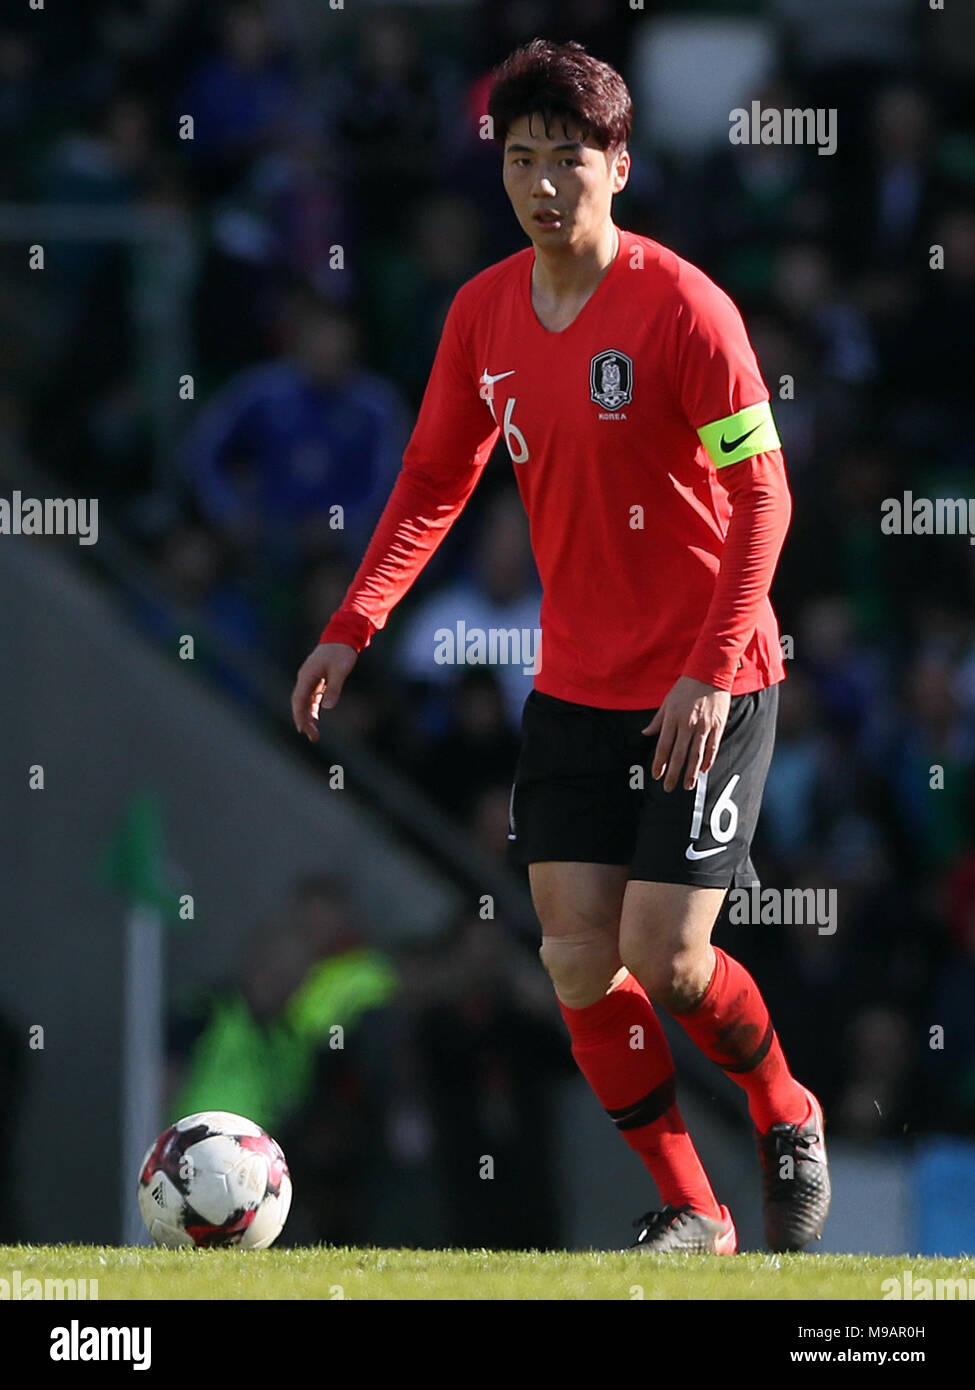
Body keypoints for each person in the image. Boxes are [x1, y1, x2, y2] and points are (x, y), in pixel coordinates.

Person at [291, 39, 830, 1255]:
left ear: (618, 166)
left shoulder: (685, 306)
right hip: (578, 686)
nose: (542, 183)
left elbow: (767, 500)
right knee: (579, 960)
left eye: (567, 159)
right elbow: (434, 476)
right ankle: (695, 1208)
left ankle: (786, 1107)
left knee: (667, 957)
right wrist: (352, 624)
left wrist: (706, 663)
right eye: (520, 158)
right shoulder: (483, 312)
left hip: (713, 675)